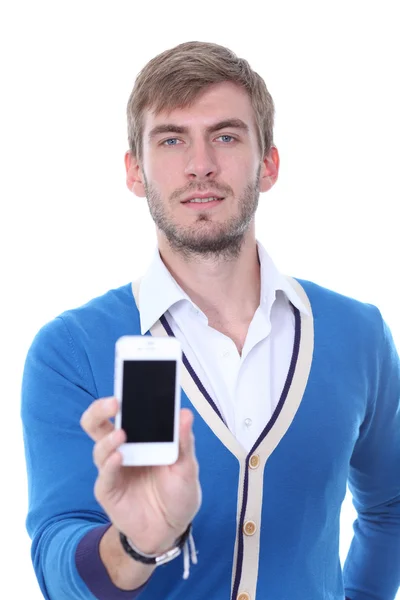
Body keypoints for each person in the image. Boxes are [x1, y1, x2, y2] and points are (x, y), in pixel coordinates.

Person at [21, 41, 400, 600]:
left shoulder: (357, 334)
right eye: (171, 140)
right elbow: (55, 558)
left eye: (225, 136)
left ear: (267, 164)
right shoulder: (70, 350)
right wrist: (135, 546)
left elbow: (391, 507)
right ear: (135, 171)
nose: (200, 164)